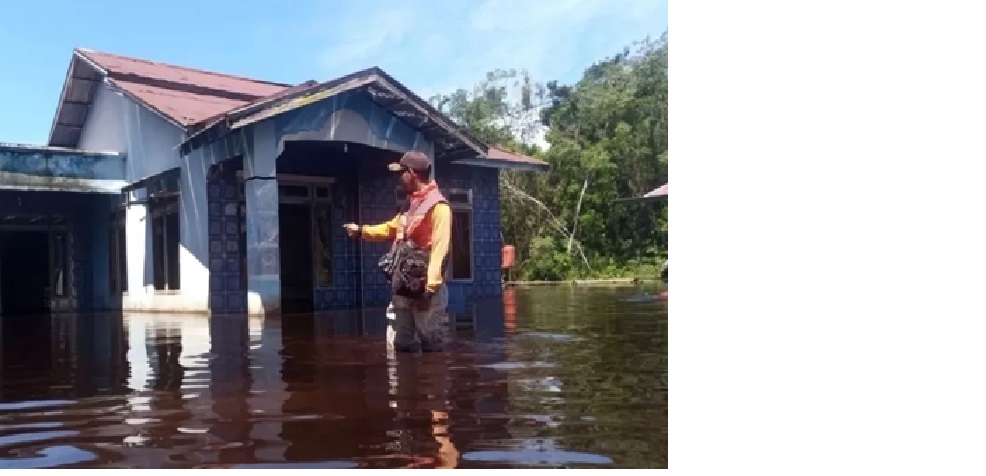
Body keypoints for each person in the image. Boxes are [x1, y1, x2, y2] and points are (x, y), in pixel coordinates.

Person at [343, 151, 452, 353]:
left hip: (425, 290)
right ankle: (402, 384)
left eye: (400, 173)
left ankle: (433, 384)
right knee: (399, 345)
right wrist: (361, 231)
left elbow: (441, 249)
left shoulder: (439, 208)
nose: (398, 178)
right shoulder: (411, 206)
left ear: (411, 173)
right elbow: (390, 228)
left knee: (431, 346)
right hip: (402, 286)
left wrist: (428, 291)